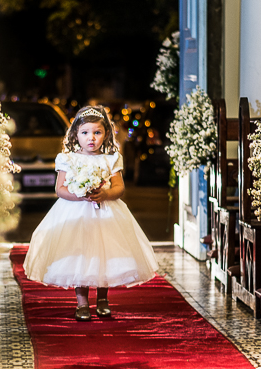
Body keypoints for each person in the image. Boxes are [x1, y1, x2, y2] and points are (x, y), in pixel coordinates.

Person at [23, 106, 159, 321]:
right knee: (80, 256)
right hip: (75, 213)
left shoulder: (111, 158)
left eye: (97, 132)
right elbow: (60, 189)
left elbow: (119, 188)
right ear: (75, 134)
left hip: (105, 213)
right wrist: (79, 195)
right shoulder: (68, 159)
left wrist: (105, 194)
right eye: (85, 132)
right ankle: (82, 303)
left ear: (106, 134)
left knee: (106, 256)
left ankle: (103, 299)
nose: (91, 138)